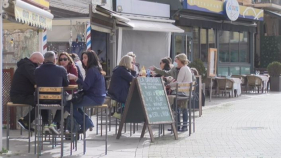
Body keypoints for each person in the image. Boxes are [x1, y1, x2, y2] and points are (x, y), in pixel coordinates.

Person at [65, 50, 106, 133]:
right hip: (99, 97)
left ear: (90, 59)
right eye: (83, 58)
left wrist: (75, 78)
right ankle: (87, 122)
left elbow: (86, 87)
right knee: (74, 105)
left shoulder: (91, 70)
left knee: (68, 105)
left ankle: (86, 123)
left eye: (85, 58)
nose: (83, 60)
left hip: (94, 97)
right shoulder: (96, 69)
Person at [35, 51, 69, 134]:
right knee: (65, 102)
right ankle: (54, 124)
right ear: (54, 60)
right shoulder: (61, 69)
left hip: (41, 99)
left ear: (44, 60)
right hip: (57, 100)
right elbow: (66, 84)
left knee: (42, 100)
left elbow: (35, 82)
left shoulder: (37, 70)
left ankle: (46, 124)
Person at [11, 52, 44, 131]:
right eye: (39, 63)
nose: (39, 66)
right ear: (34, 59)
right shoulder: (28, 66)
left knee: (42, 101)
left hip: (22, 95)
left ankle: (45, 124)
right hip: (19, 96)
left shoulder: (26, 65)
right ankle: (26, 120)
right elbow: (36, 79)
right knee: (42, 102)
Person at [168, 53, 192, 132]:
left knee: (174, 104)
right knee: (184, 108)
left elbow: (178, 82)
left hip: (182, 92)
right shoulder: (187, 68)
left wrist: (169, 85)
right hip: (187, 92)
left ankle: (176, 125)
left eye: (176, 60)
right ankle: (183, 126)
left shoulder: (182, 69)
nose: (175, 62)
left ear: (180, 60)